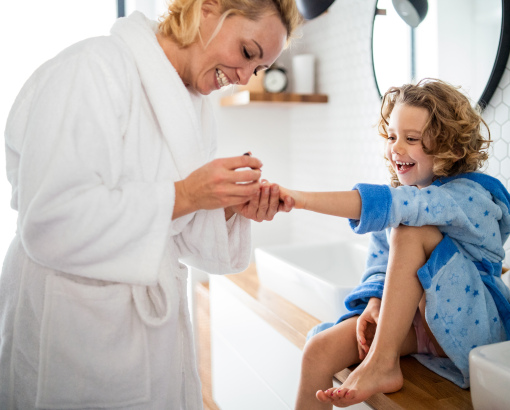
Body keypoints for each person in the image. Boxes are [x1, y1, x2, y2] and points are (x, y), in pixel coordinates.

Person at [0, 0, 302, 408]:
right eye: (248, 53)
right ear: (208, 8)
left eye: (260, 69)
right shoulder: (94, 68)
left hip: (149, 335)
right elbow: (50, 221)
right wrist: (189, 193)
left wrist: (228, 207)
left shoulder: (193, 106)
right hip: (75, 328)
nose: (245, 78)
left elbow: (175, 232)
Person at [278, 79, 510, 408]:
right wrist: (376, 301)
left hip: (472, 323)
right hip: (419, 327)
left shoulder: (470, 196)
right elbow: (382, 262)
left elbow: (409, 210)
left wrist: (301, 199)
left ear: (449, 146)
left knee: (410, 228)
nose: (396, 148)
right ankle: (382, 356)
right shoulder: (404, 200)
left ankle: (381, 363)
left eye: (412, 139)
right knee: (318, 351)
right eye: (392, 136)